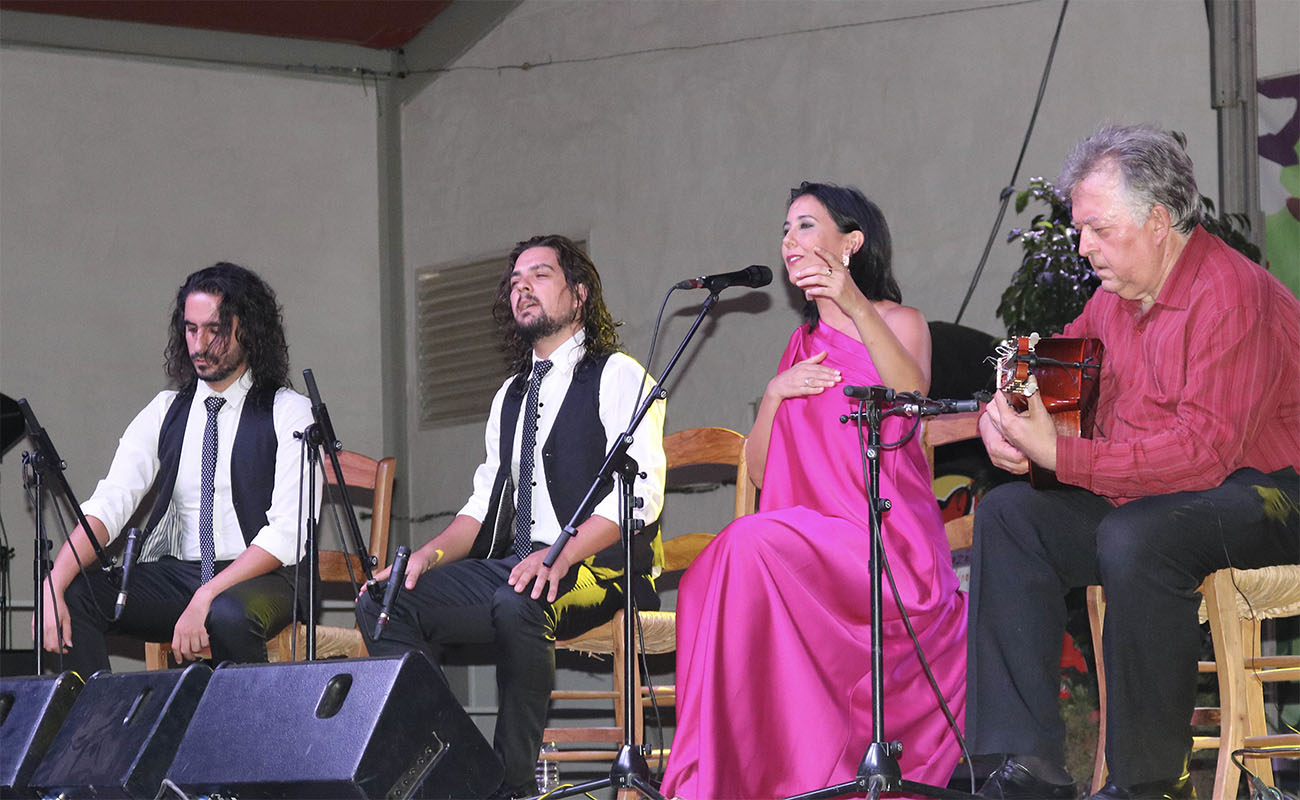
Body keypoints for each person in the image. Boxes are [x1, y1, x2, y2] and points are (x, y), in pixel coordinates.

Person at [968, 124, 1300, 800]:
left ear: (1156, 221)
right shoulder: (1112, 300)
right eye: (1080, 230)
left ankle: (1150, 782)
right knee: (1009, 516)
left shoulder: (1230, 293)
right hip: (1167, 499)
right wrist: (1002, 419)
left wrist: (1058, 454)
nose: (1084, 246)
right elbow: (1045, 379)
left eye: (1098, 229)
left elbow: (1203, 455)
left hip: (1276, 495)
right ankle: (1023, 764)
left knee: (1137, 535)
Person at [660, 183, 968, 799]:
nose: (788, 242)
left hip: (885, 548)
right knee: (704, 579)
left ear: (851, 242)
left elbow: (909, 401)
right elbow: (757, 470)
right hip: (807, 544)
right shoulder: (797, 348)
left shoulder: (899, 321)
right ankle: (746, 775)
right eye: (785, 229)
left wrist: (855, 306)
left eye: (805, 225)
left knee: (747, 544)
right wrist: (776, 393)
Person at [355, 234, 666, 799]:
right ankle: (453, 765)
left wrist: (563, 552)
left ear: (579, 294)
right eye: (515, 281)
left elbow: (637, 498)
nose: (522, 288)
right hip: (521, 565)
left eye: (540, 276)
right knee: (382, 601)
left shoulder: (619, 374)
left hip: (601, 565)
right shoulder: (509, 395)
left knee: (519, 600)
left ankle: (511, 785)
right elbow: (480, 508)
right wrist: (427, 555)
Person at [36, 262, 319, 675]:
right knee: (77, 593)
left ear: (249, 329)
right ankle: (98, 736)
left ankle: (239, 738)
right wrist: (54, 580)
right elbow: (113, 500)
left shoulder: (289, 411)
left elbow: (288, 535)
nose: (199, 344)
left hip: (268, 576)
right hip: (182, 576)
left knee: (227, 613)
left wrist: (208, 595)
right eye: (190, 329)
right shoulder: (165, 410)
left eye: (215, 330)